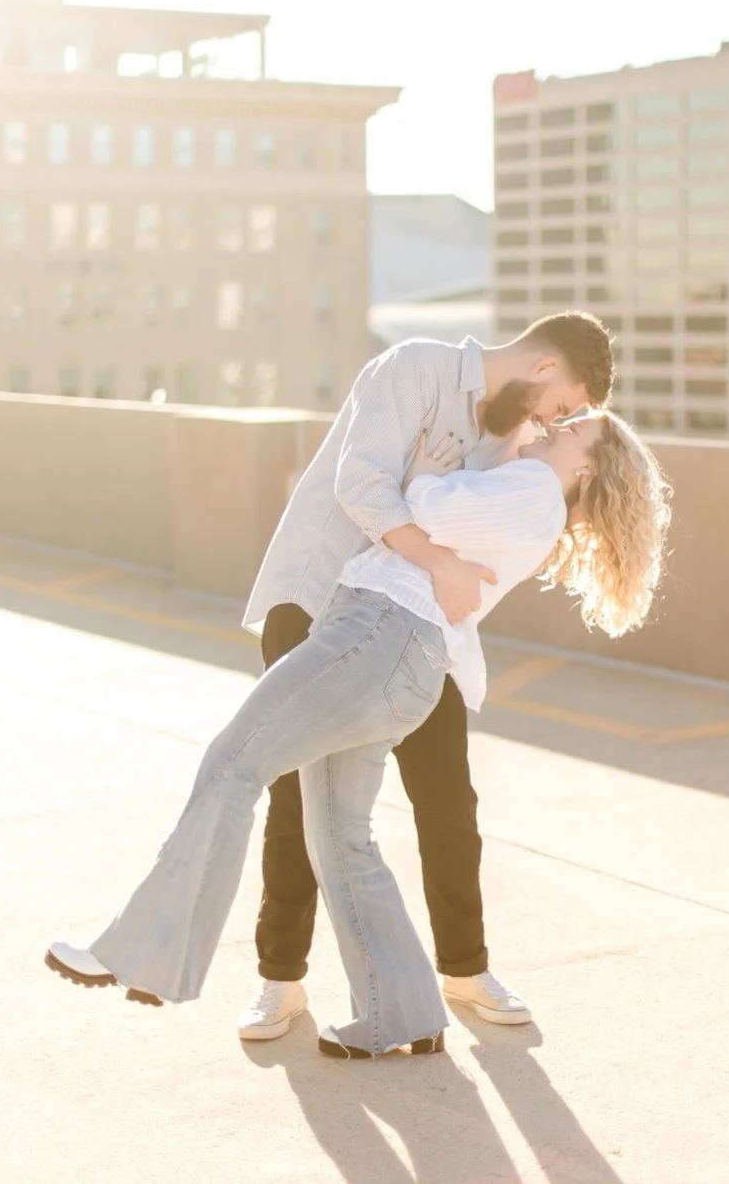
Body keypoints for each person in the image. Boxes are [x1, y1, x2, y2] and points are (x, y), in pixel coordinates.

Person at [48, 408, 671, 1058]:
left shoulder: (535, 489)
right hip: (396, 655)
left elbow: (426, 511)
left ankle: (144, 953)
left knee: (234, 762)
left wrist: (423, 472)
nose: (556, 428)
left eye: (573, 430)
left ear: (588, 466)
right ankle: (399, 1015)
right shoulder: (532, 497)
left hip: (376, 635)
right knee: (342, 839)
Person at [226, 312, 612, 1043]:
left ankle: (465, 969)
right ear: (543, 366)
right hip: (315, 597)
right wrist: (437, 555)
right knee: (295, 795)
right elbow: (363, 485)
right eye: (560, 405)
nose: (551, 422)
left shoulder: (512, 443)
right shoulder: (415, 368)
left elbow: (481, 525)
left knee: (447, 796)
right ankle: (280, 978)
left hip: (413, 627)